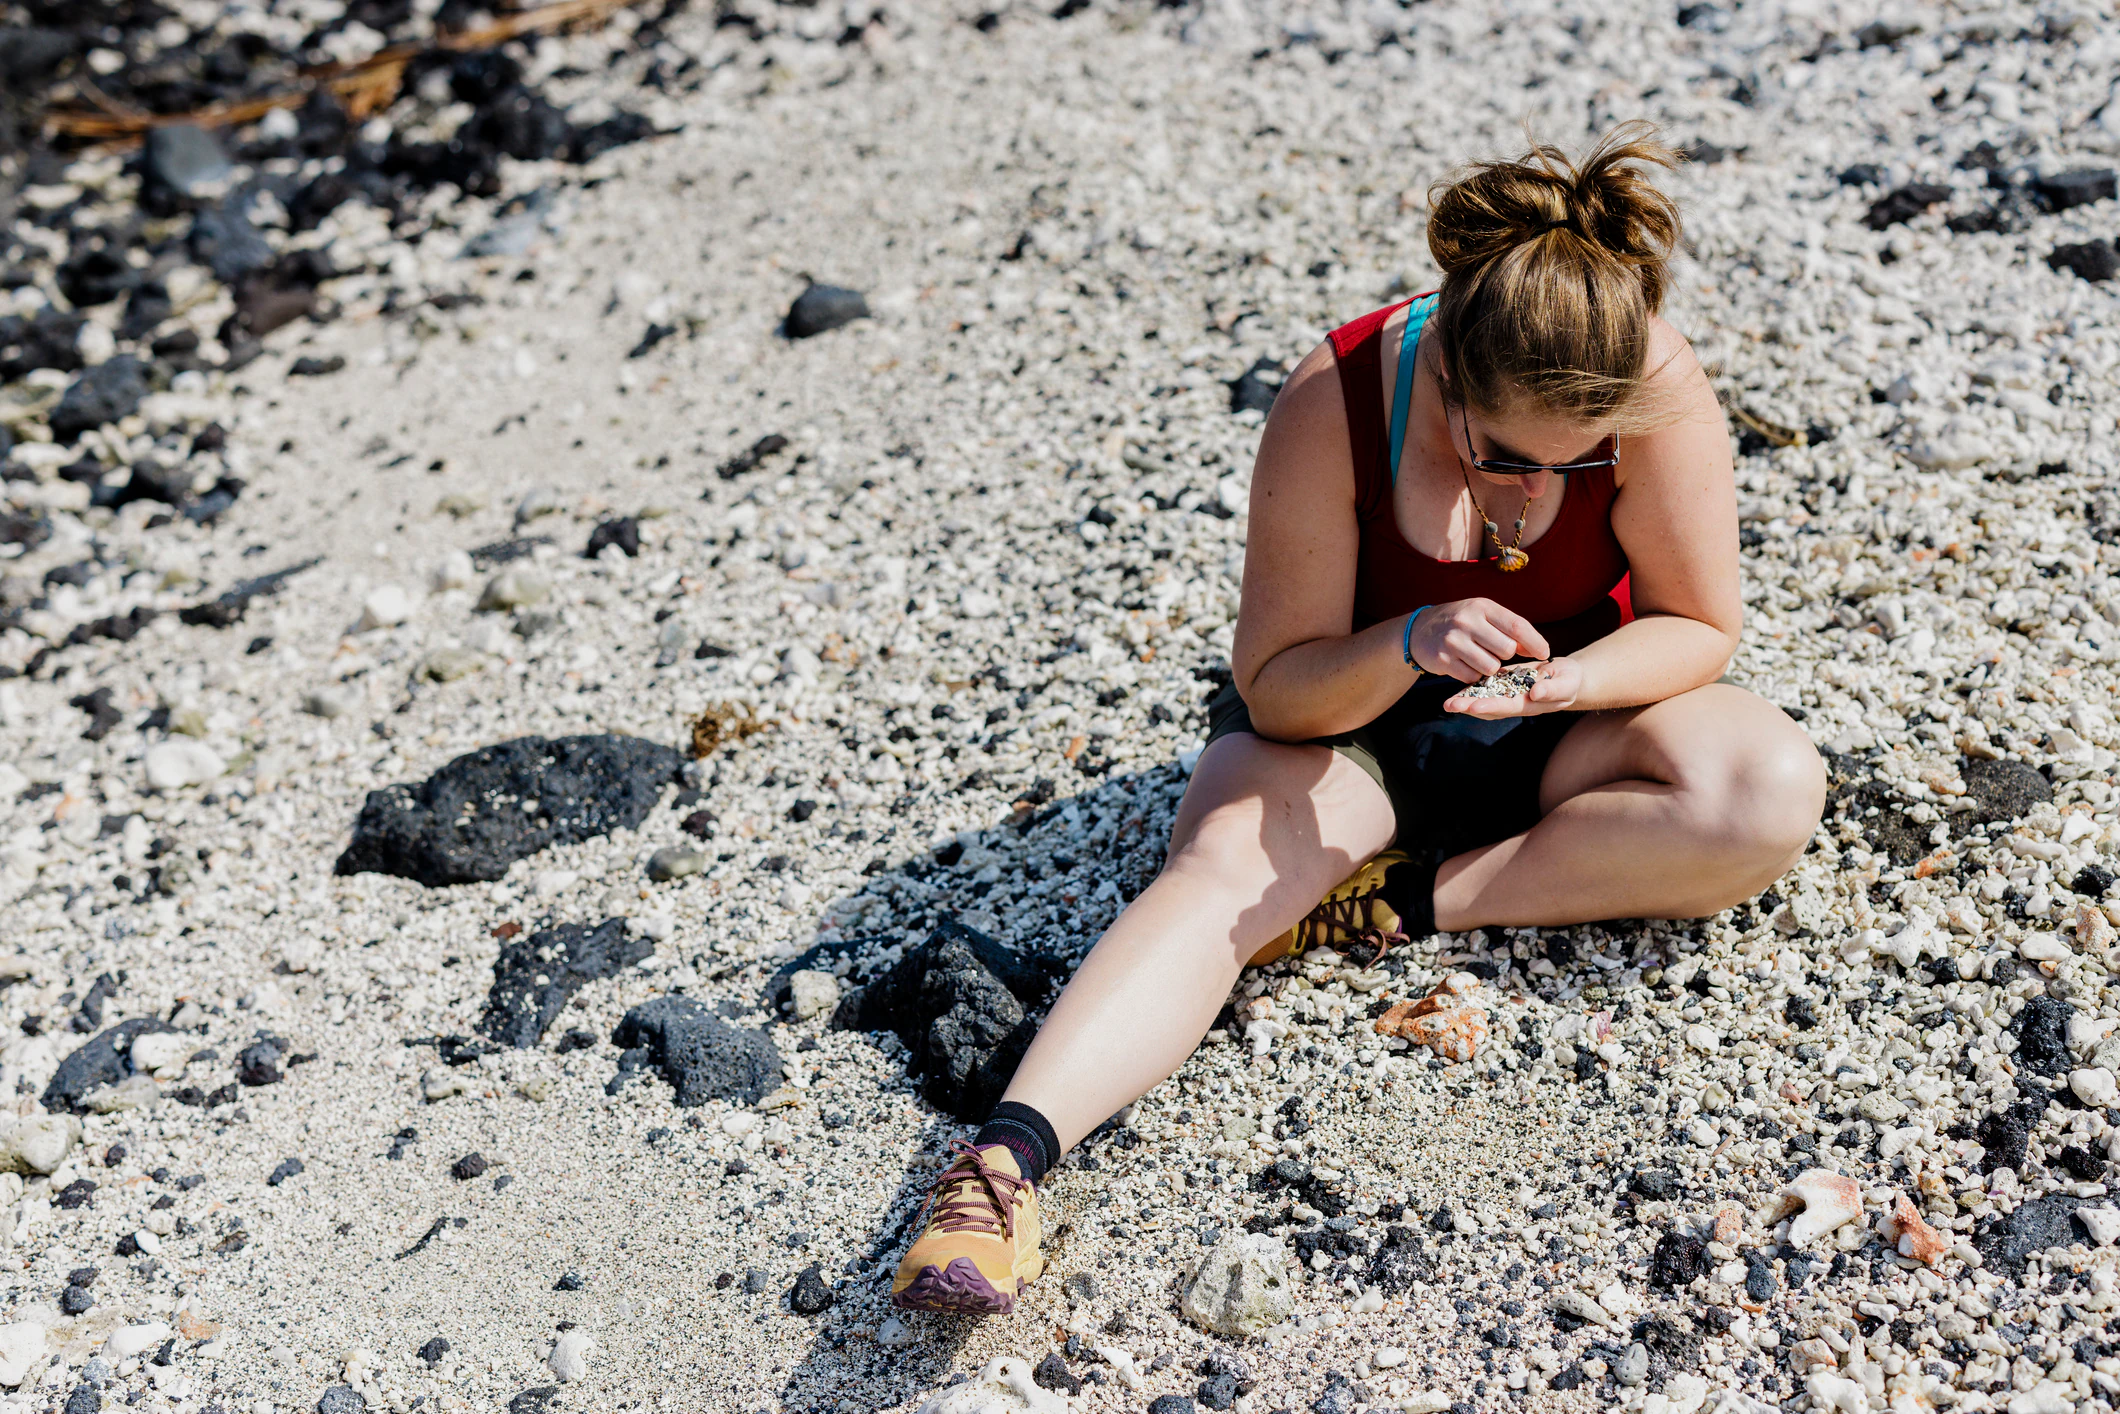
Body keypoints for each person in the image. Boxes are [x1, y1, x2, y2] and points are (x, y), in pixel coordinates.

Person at [887, 123, 1826, 1315]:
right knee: (1220, 872)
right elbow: (1276, 683)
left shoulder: (1643, 378)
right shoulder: (1335, 398)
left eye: (1574, 462)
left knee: (1766, 788)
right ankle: (1000, 1167)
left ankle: (1388, 903)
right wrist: (1407, 637)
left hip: (1556, 711)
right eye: (1505, 457)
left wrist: (1567, 682)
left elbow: (1698, 623)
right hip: (1348, 726)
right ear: (1449, 381)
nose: (1535, 494)